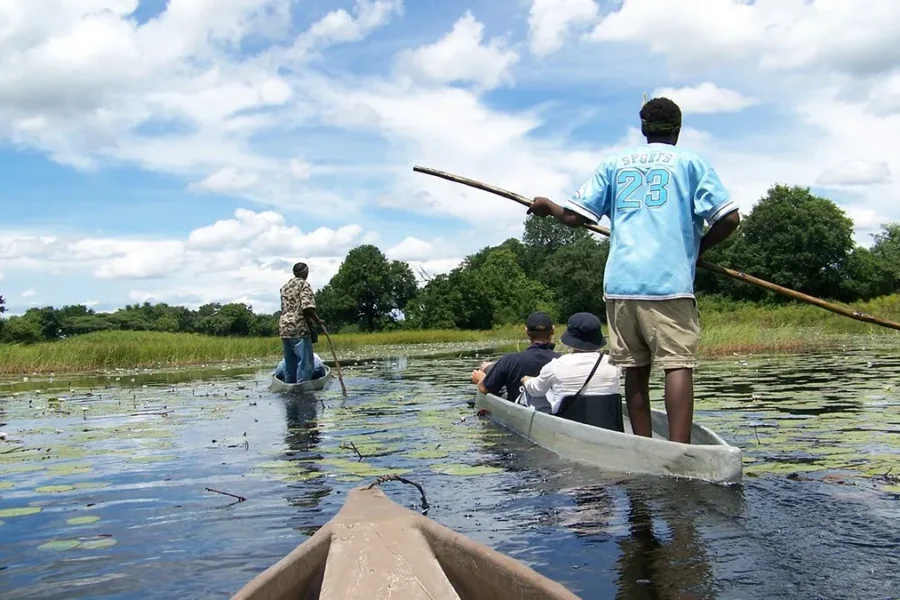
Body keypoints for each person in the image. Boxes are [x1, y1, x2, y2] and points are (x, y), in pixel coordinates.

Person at [526, 97, 740, 443]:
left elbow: (573, 217)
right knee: (677, 363)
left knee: (635, 370)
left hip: (622, 284)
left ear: (643, 128)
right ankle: (679, 449)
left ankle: (642, 447)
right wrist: (697, 248)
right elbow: (729, 218)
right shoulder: (692, 163)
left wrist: (547, 206)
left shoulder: (615, 164)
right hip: (668, 283)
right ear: (678, 129)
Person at [520, 312, 620, 414]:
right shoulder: (614, 365)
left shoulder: (556, 365)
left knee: (533, 394)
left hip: (566, 422)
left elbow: (536, 391)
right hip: (605, 420)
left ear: (571, 337)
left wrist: (526, 381)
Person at [471, 312, 560, 401]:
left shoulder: (509, 360)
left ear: (527, 331)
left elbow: (483, 389)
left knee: (486, 369)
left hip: (519, 408)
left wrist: (481, 379)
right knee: (486, 366)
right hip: (553, 409)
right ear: (552, 330)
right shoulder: (562, 361)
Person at [278, 262, 322, 384]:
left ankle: (290, 388)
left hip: (284, 327)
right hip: (298, 327)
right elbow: (307, 307)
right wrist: (317, 320)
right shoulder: (304, 285)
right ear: (305, 273)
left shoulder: (285, 287)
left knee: (290, 362)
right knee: (305, 362)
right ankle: (302, 389)